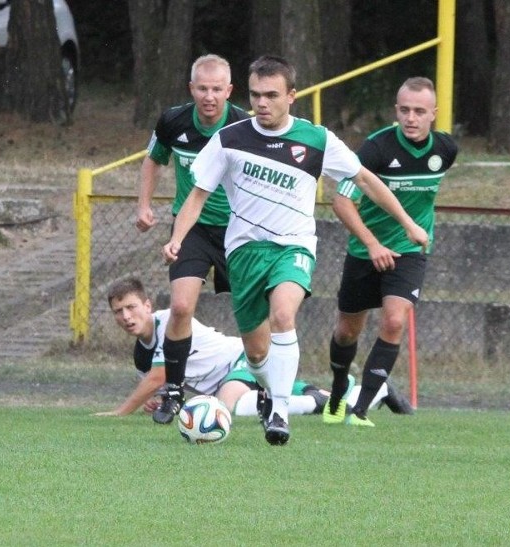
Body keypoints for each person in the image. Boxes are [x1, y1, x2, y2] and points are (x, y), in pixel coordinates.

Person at [162, 55, 428, 446]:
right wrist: (177, 239)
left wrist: (408, 224)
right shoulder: (229, 139)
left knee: (283, 314)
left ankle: (280, 412)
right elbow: (197, 194)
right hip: (244, 253)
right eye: (255, 95)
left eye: (271, 95)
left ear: (292, 96)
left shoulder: (317, 140)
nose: (262, 103)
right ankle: (272, 392)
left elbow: (366, 181)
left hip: (293, 247)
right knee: (256, 355)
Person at [323, 77, 458, 427]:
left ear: (434, 114)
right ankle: (339, 391)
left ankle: (361, 410)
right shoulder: (376, 149)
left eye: (419, 111)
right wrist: (372, 244)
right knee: (347, 331)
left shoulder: (445, 150)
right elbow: (340, 202)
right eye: (404, 110)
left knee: (395, 320)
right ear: (396, 111)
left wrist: (413, 231)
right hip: (365, 249)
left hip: (410, 250)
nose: (411, 118)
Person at [94, 278, 411, 418]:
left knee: (226, 408)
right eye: (118, 312)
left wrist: (121, 413)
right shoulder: (140, 354)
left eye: (131, 307)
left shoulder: (167, 322)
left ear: (147, 305)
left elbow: (157, 378)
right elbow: (164, 386)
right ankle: (376, 392)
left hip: (241, 360)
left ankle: (310, 402)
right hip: (230, 377)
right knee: (336, 406)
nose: (126, 316)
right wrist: (156, 402)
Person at [135, 54, 251, 425]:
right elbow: (153, 160)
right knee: (181, 308)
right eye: (203, 88)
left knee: (255, 315)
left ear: (229, 91)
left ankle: (271, 391)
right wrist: (144, 206)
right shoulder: (173, 120)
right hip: (191, 229)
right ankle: (172, 390)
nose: (210, 96)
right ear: (192, 89)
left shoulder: (245, 126)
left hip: (238, 230)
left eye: (217, 89)